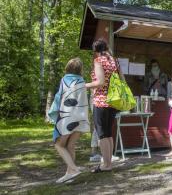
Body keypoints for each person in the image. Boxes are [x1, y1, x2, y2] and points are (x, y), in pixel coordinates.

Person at [48, 58, 90, 183]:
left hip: (67, 118)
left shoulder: (65, 79)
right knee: (70, 145)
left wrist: (53, 112)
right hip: (80, 118)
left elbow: (58, 97)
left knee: (59, 144)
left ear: (68, 68)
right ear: (80, 70)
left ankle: (74, 169)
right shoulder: (82, 81)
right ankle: (69, 174)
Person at [86, 39, 121, 173]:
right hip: (112, 101)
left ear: (95, 51)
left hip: (101, 102)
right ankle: (109, 163)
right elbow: (121, 79)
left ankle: (106, 165)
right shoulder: (115, 61)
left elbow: (100, 82)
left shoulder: (99, 61)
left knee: (102, 135)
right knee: (108, 133)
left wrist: (85, 85)